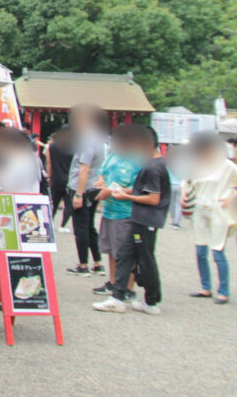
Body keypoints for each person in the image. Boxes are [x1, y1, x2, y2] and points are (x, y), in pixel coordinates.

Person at [93, 124, 170, 314]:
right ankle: (118, 297)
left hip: (146, 220)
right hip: (138, 218)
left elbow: (153, 198)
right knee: (125, 256)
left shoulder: (153, 167)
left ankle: (151, 301)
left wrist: (126, 196)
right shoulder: (153, 164)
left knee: (145, 260)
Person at [186, 132, 237, 304]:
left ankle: (223, 291)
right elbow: (188, 181)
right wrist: (184, 197)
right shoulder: (196, 164)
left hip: (217, 208)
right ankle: (205, 287)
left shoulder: (225, 165)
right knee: (200, 251)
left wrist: (232, 197)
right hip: (200, 208)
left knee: (218, 251)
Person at [91, 124, 143, 296]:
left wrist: (112, 191)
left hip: (126, 212)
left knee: (126, 252)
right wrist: (101, 183)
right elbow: (102, 172)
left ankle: (128, 287)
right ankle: (113, 282)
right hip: (109, 210)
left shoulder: (138, 160)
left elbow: (138, 187)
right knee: (111, 250)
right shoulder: (112, 155)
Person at [65, 105, 108, 276]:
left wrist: (78, 193)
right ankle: (97, 262)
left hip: (82, 187)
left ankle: (83, 264)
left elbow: (84, 168)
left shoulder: (87, 141)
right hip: (94, 187)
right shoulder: (103, 140)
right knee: (90, 226)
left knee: (81, 227)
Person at [44, 125, 76, 229]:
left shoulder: (52, 146)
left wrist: (49, 176)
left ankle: (49, 224)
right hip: (70, 180)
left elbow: (49, 162)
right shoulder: (74, 148)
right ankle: (63, 226)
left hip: (56, 179)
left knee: (53, 203)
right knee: (69, 205)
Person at [0, 126, 42, 194]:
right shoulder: (33, 157)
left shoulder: (11, 161)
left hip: (16, 200)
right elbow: (39, 178)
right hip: (32, 199)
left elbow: (6, 186)